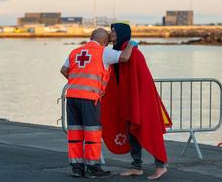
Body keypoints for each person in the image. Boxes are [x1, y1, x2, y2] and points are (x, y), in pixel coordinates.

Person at [60, 28, 136, 178]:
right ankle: (94, 168)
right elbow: (125, 57)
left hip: (72, 97)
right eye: (107, 42)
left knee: (75, 134)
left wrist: (77, 81)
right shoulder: (103, 52)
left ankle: (77, 168)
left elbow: (63, 70)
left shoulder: (75, 51)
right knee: (92, 134)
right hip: (89, 98)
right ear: (104, 42)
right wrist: (132, 44)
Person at [101, 23, 171, 180]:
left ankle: (161, 166)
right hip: (127, 100)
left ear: (121, 33)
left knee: (149, 130)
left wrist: (138, 101)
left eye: (113, 31)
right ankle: (136, 166)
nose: (110, 33)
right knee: (130, 132)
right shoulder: (118, 51)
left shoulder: (134, 53)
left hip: (141, 99)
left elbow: (142, 80)